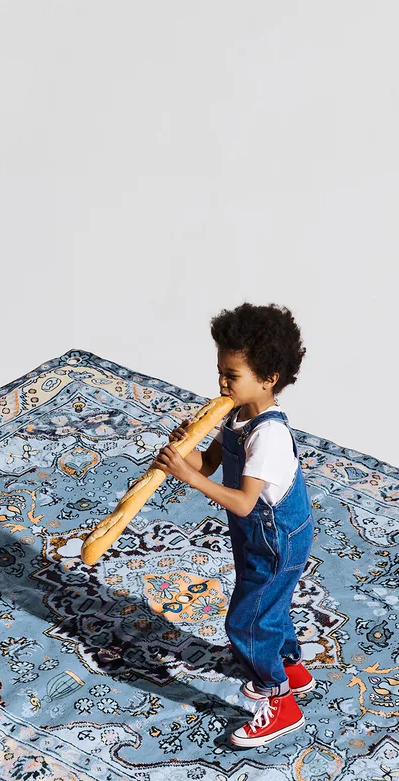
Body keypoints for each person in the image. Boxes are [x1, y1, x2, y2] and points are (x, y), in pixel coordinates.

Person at [153, 302, 315, 748]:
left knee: (247, 621)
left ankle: (281, 702)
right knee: (267, 605)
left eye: (232, 375)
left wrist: (187, 478)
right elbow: (208, 464)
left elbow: (244, 502)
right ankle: (292, 669)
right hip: (255, 535)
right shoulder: (236, 415)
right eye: (220, 373)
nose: (222, 384)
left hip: (277, 537)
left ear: (268, 379)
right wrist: (182, 455)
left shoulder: (268, 435)